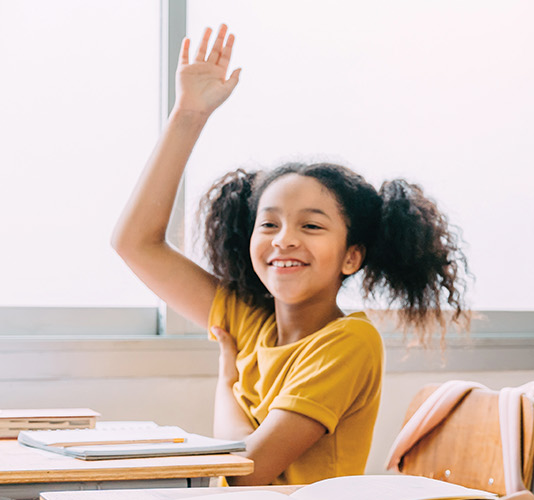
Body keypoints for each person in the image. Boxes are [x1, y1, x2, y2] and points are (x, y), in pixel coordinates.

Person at [111, 25, 468, 485]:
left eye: (312, 226)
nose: (284, 239)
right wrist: (188, 114)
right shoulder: (249, 320)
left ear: (351, 257)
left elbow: (244, 475)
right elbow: (134, 243)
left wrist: (227, 381)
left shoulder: (349, 343)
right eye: (270, 223)